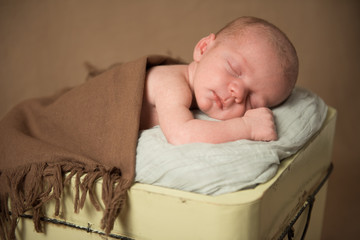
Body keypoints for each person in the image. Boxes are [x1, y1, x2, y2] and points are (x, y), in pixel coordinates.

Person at [140, 16, 299, 145]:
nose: (237, 93)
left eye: (252, 101)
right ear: (203, 49)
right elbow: (181, 134)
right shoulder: (170, 83)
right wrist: (247, 127)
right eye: (234, 70)